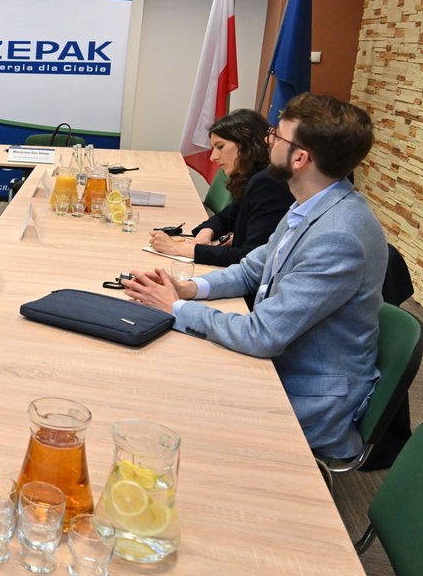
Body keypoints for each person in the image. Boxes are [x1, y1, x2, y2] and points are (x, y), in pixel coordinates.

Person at [123, 94, 388, 460]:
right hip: (280, 365)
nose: (267, 141)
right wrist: (191, 287)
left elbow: (263, 335)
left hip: (306, 398)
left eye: (277, 136)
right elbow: (253, 268)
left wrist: (177, 307)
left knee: (168, 412)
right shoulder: (311, 203)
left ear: (299, 158)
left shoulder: (337, 235)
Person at [149, 109, 293, 274]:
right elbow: (230, 215)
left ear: (247, 144)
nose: (213, 157)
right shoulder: (255, 177)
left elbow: (249, 258)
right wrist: (206, 232)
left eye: (220, 147)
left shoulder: (269, 183)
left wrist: (179, 249)